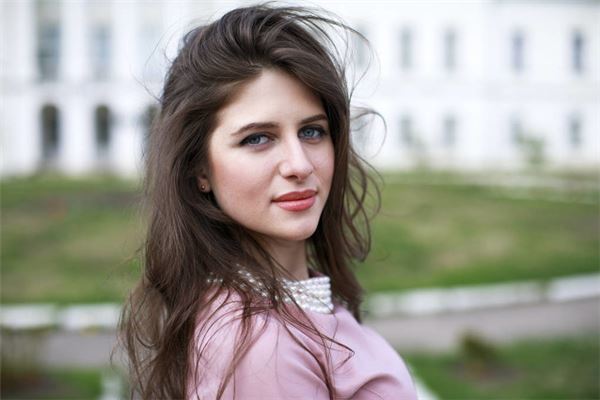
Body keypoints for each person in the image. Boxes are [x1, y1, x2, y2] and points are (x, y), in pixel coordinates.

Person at [120, 4, 417, 399]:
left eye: (312, 131)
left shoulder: (287, 304)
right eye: (257, 138)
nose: (300, 165)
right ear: (199, 168)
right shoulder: (259, 347)